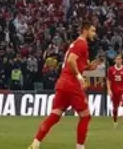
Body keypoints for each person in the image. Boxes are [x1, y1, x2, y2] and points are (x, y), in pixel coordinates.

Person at [29, 20, 100, 149]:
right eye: (92, 31)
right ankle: (80, 147)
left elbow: (75, 63)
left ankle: (35, 143)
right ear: (85, 30)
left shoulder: (74, 44)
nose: (94, 33)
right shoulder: (82, 43)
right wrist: (80, 77)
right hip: (72, 84)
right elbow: (71, 62)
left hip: (62, 83)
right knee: (85, 116)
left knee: (55, 115)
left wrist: (90, 67)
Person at [107, 55, 123, 129]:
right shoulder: (111, 69)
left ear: (121, 60)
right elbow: (108, 80)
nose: (118, 60)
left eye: (119, 59)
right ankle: (115, 122)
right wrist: (109, 90)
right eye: (117, 59)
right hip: (114, 91)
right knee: (115, 108)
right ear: (115, 60)